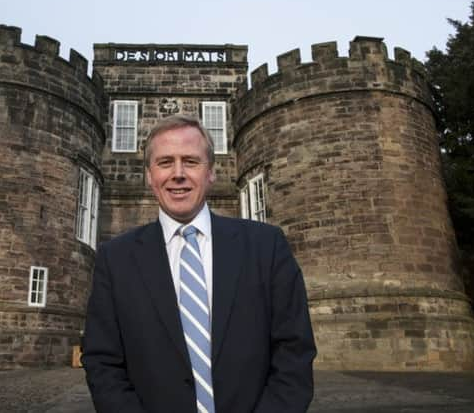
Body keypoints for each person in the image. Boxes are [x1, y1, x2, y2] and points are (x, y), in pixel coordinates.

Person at [82, 115, 316, 413]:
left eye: (191, 162)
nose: (178, 174)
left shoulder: (266, 246)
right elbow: (102, 362)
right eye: (165, 162)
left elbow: (294, 352)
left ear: (211, 173)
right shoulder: (115, 259)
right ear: (149, 175)